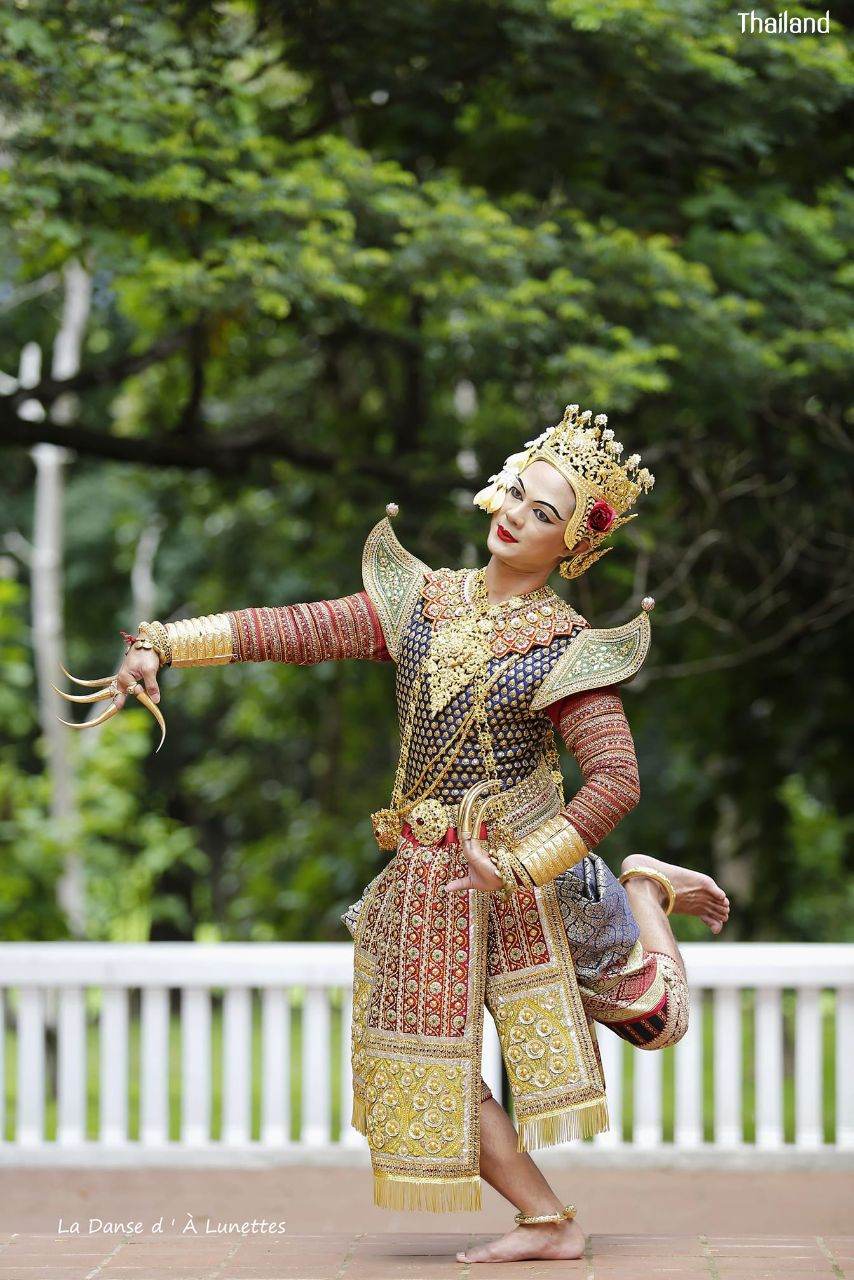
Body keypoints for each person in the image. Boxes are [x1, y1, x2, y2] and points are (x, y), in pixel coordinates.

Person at [58, 403, 729, 1265]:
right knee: (406, 1052)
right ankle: (548, 1221)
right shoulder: (422, 601)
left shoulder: (563, 648)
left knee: (653, 1020)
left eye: (545, 514)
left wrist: (525, 864)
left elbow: (617, 779)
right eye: (519, 496)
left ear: (574, 546)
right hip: (429, 874)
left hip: (527, 870)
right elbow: (298, 629)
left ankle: (643, 886)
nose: (518, 517)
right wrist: (165, 645)